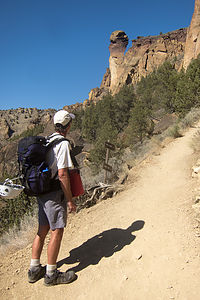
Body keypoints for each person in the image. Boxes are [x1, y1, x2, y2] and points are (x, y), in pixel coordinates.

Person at [28, 110, 77, 286]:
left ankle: (34, 270)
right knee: (57, 230)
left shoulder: (48, 140)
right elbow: (63, 174)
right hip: (54, 194)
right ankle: (51, 274)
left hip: (41, 191)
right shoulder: (62, 144)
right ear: (67, 126)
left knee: (42, 230)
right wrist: (70, 200)